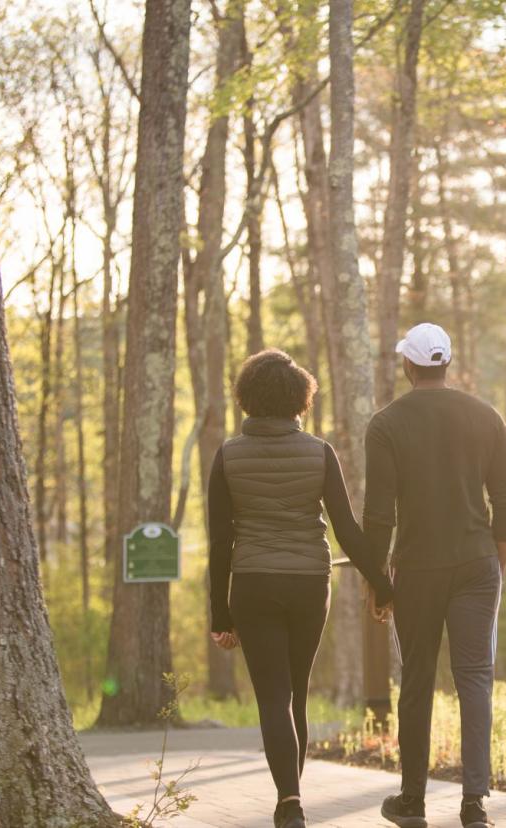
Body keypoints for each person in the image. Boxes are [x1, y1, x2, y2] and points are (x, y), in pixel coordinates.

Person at [209, 349, 393, 828]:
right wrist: (383, 585)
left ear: (247, 397)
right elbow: (347, 530)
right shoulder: (319, 451)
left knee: (273, 697)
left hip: (252, 583)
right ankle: (291, 799)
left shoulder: (228, 455)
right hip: (310, 582)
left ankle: (289, 801)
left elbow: (219, 542)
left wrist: (219, 616)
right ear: (300, 398)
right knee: (295, 691)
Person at [365, 323, 506, 828]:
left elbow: (379, 515)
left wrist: (377, 581)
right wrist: (494, 561)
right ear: (445, 364)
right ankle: (474, 805)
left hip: (416, 569)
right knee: (475, 680)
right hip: (477, 564)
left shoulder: (386, 424)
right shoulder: (485, 415)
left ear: (408, 366)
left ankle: (412, 803)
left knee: (416, 682)